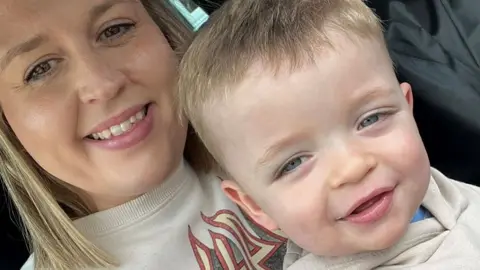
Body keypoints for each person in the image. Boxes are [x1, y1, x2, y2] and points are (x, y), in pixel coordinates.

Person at [177, 0, 480, 269]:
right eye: (293, 163)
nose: (352, 168)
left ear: (407, 108)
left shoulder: (437, 191)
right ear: (255, 205)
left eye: (371, 119)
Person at [0, 0, 287, 269]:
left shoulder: (291, 132)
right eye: (39, 70)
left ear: (165, 32)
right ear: (8, 128)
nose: (102, 84)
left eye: (115, 29)